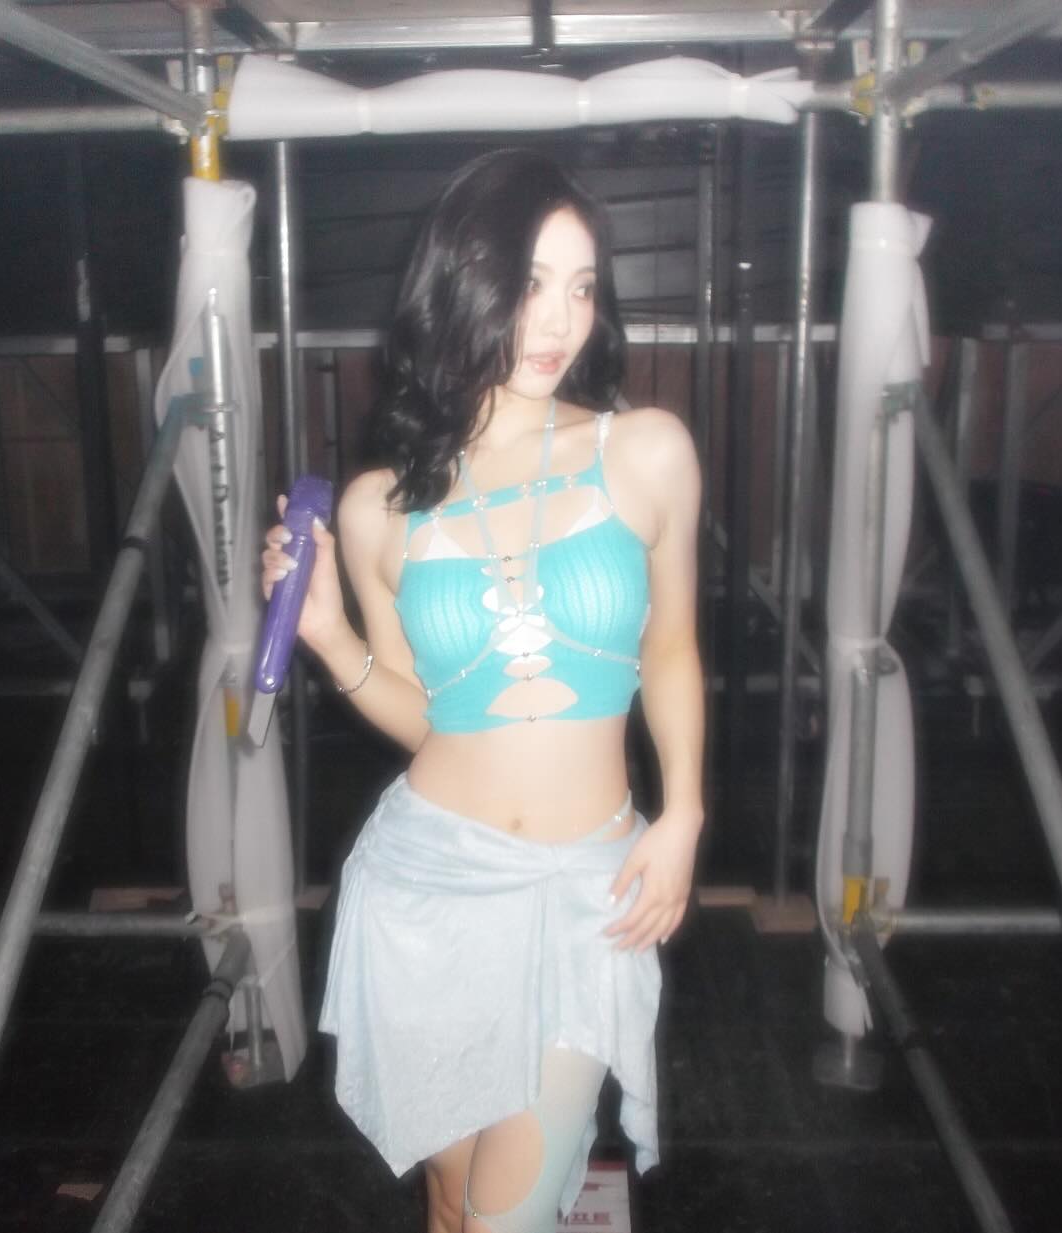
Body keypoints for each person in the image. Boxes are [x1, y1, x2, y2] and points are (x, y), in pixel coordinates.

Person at [261, 148, 704, 1233]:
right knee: (453, 1204)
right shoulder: (379, 506)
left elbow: (672, 650)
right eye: (531, 284)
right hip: (426, 884)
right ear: (463, 283)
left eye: (583, 287)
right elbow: (428, 715)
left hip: (586, 893)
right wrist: (327, 635)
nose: (561, 320)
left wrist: (685, 812)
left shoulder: (644, 452)